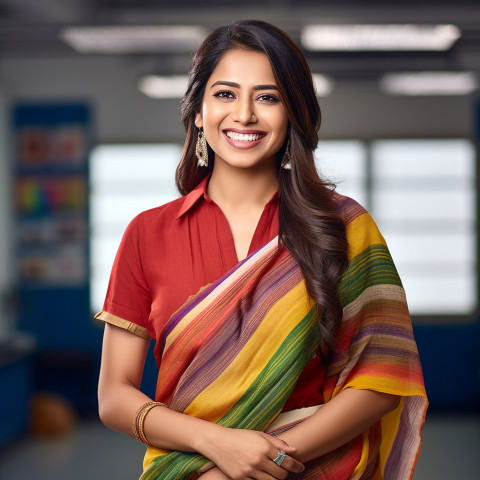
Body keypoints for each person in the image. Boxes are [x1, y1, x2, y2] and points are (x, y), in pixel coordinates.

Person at [96, 20, 427, 480]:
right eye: (225, 94)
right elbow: (115, 396)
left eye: (268, 97)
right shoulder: (147, 233)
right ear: (197, 111)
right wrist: (217, 445)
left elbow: (381, 378)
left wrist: (261, 459)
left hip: (312, 467)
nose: (245, 115)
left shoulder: (343, 227)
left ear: (293, 114)